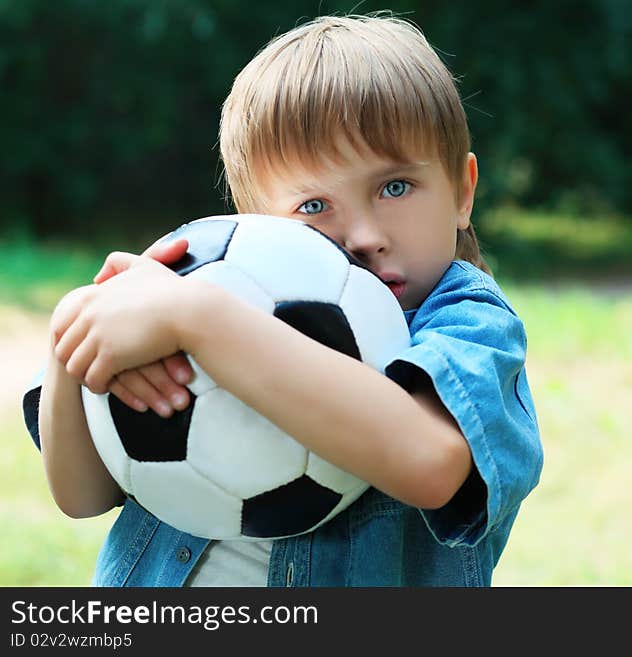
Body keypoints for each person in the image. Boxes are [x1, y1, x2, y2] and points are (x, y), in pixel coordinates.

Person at [23, 14, 542, 586]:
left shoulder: (469, 324)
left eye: (395, 187)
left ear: (462, 193)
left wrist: (200, 321)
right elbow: (83, 495)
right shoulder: (199, 292)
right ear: (253, 223)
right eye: (314, 206)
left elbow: (431, 464)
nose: (365, 236)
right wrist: (74, 337)